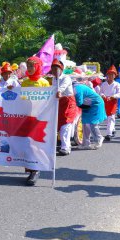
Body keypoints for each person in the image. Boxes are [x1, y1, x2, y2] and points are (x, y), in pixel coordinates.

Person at [21, 56, 50, 186]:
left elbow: (48, 100)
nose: (30, 69)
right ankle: (30, 168)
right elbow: (21, 99)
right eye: (28, 66)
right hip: (27, 117)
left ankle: (36, 170)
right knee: (27, 143)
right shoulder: (25, 82)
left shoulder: (44, 82)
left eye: (32, 66)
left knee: (36, 143)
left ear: (38, 66)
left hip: (39, 118)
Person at [51, 59, 77, 156]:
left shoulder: (66, 78)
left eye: (56, 68)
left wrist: (59, 91)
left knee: (65, 126)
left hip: (68, 103)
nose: (54, 71)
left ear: (61, 69)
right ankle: (58, 145)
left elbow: (62, 88)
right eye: (53, 68)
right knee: (57, 125)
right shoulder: (54, 79)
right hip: (59, 103)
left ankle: (65, 148)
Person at [73, 82, 106, 149]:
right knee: (85, 124)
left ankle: (99, 138)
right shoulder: (76, 87)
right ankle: (86, 144)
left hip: (95, 104)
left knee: (93, 123)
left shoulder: (77, 89)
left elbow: (79, 103)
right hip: (87, 104)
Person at [100, 65, 120, 141]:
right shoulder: (103, 84)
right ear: (107, 75)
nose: (110, 76)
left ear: (115, 76)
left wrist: (114, 96)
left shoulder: (117, 84)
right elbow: (100, 92)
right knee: (106, 118)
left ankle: (109, 134)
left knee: (111, 118)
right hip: (105, 102)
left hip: (112, 102)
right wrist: (103, 95)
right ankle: (112, 129)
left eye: (112, 74)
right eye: (109, 74)